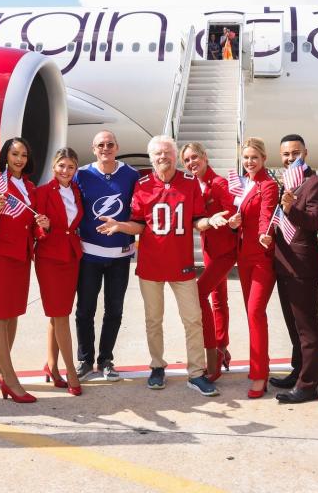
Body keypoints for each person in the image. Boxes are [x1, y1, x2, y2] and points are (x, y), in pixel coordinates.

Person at [97, 135, 228, 396]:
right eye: (158, 154)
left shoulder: (189, 184)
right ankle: (157, 366)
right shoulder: (143, 184)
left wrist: (209, 222)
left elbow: (196, 220)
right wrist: (121, 226)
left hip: (181, 264)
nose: (163, 158)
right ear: (151, 157)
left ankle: (196, 372)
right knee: (153, 320)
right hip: (152, 265)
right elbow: (140, 224)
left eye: (167, 153)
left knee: (192, 319)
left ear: (174, 156)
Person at [0, 137, 49, 403]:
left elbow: (33, 229)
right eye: (14, 154)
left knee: (14, 314)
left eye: (23, 154)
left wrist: (43, 226)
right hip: (1, 257)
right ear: (5, 157)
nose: (19, 159)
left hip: (22, 257)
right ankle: (9, 378)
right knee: (0, 315)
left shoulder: (30, 187)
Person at [73, 130, 140, 381]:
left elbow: (139, 210)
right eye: (100, 145)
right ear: (93, 149)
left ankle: (106, 359)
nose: (105, 148)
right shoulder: (82, 174)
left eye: (110, 144)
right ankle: (85, 359)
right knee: (84, 310)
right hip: (89, 255)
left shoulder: (131, 175)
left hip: (120, 257)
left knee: (114, 309)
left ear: (117, 146)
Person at [271, 134, 318, 404]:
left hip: (303, 266)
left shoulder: (315, 184)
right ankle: (298, 371)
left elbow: (313, 221)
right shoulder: (285, 180)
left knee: (307, 327)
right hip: (282, 262)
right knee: (293, 325)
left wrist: (290, 208)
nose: (290, 158)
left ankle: (308, 385)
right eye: (286, 154)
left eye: (295, 153)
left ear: (305, 152)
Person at [228, 137, 280, 398]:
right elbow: (239, 216)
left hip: (261, 257)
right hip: (243, 257)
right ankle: (257, 368)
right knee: (251, 316)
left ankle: (260, 375)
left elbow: (266, 214)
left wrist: (264, 233)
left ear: (263, 159)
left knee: (255, 314)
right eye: (246, 157)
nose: (249, 162)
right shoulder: (243, 184)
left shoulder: (267, 185)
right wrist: (233, 222)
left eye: (254, 158)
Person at [181, 142, 237, 381]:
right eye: (186, 160)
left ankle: (212, 355)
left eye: (195, 157)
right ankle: (223, 347)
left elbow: (231, 210)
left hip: (225, 251)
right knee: (218, 299)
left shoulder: (219, 183)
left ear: (205, 157)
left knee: (199, 292)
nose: (191, 163)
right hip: (209, 249)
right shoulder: (195, 184)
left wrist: (225, 219)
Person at [33, 147, 85, 396]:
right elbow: (36, 231)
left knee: (58, 314)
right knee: (61, 315)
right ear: (54, 167)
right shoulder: (42, 192)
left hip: (72, 257)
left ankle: (51, 366)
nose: (65, 171)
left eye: (71, 167)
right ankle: (70, 371)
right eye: (61, 166)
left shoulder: (76, 191)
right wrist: (45, 227)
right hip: (50, 258)